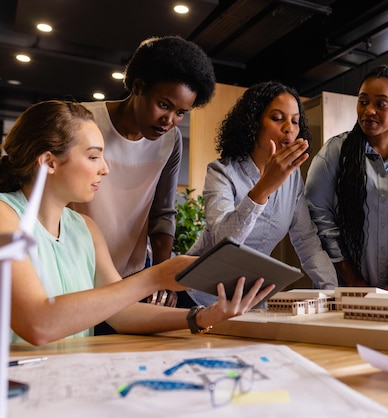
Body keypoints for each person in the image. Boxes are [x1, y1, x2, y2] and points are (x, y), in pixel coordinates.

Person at [0, 100, 274, 345]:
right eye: (94, 156)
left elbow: (120, 312)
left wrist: (200, 317)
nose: (104, 168)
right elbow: (38, 323)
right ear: (49, 161)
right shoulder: (4, 216)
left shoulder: (84, 228)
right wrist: (155, 277)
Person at [70, 35, 216, 307]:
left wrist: (162, 277)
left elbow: (162, 214)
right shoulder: (81, 122)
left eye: (181, 112)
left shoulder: (170, 142)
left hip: (132, 275)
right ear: (138, 86)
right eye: (164, 105)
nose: (170, 120)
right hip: (74, 272)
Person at [183, 81, 337, 307]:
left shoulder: (292, 179)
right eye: (277, 118)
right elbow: (223, 242)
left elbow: (306, 241)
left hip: (249, 300)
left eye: (295, 121)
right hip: (197, 297)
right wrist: (264, 187)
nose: (289, 128)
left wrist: (332, 293)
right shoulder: (222, 172)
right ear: (254, 123)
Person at [305, 64, 388, 294]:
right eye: (363, 101)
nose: (369, 110)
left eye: (380, 104)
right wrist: (355, 283)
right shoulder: (335, 153)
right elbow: (320, 219)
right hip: (346, 291)